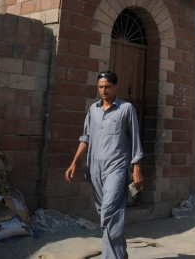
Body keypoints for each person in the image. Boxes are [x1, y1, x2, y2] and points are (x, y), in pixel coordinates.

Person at [65, 71, 144, 259]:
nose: (103, 90)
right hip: (95, 170)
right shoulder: (93, 110)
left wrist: (137, 168)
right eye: (100, 87)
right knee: (105, 216)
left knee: (110, 211)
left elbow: (135, 140)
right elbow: (86, 137)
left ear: (115, 86)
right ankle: (120, 251)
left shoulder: (126, 109)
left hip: (116, 168)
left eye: (107, 87)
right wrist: (74, 162)